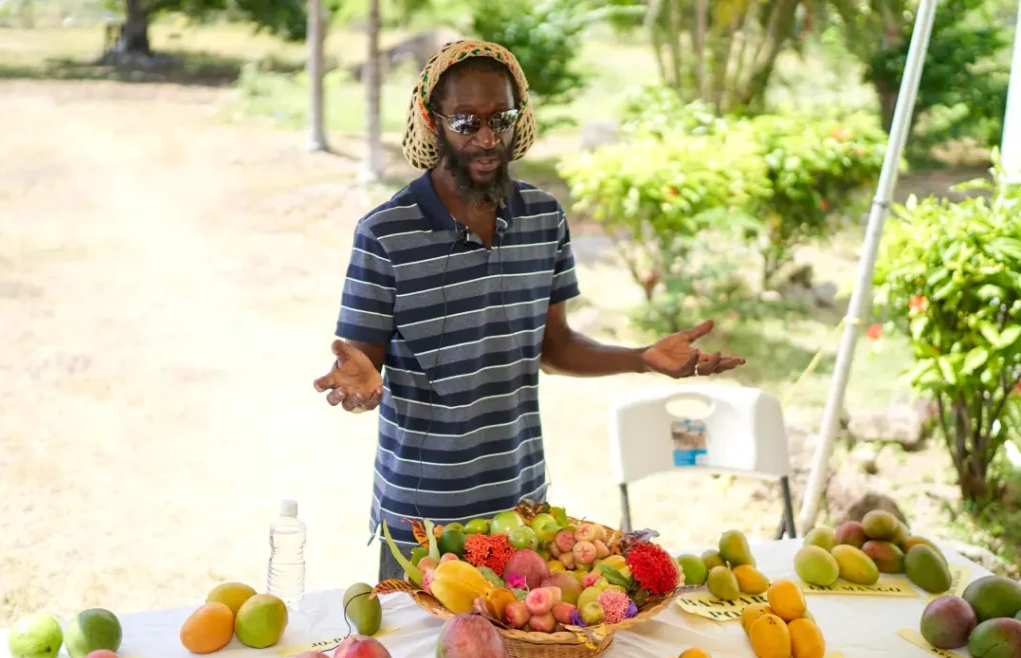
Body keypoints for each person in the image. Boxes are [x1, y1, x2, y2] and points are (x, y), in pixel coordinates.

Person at [313, 40, 745, 581]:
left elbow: (555, 347)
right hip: (424, 524)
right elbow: (364, 368)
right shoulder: (384, 233)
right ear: (433, 119)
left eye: (503, 118)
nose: (489, 138)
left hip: (521, 511)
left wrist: (642, 357)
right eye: (467, 121)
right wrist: (361, 388)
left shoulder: (544, 218)